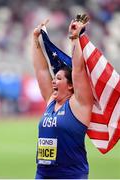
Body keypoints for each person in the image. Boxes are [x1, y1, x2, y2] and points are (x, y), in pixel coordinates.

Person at [31, 15, 94, 179]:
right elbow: (42, 71)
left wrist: (75, 38)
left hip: (70, 176)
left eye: (59, 78)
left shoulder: (79, 105)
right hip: (43, 175)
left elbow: (78, 71)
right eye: (54, 78)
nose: (53, 81)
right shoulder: (51, 101)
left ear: (71, 85)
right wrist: (35, 41)